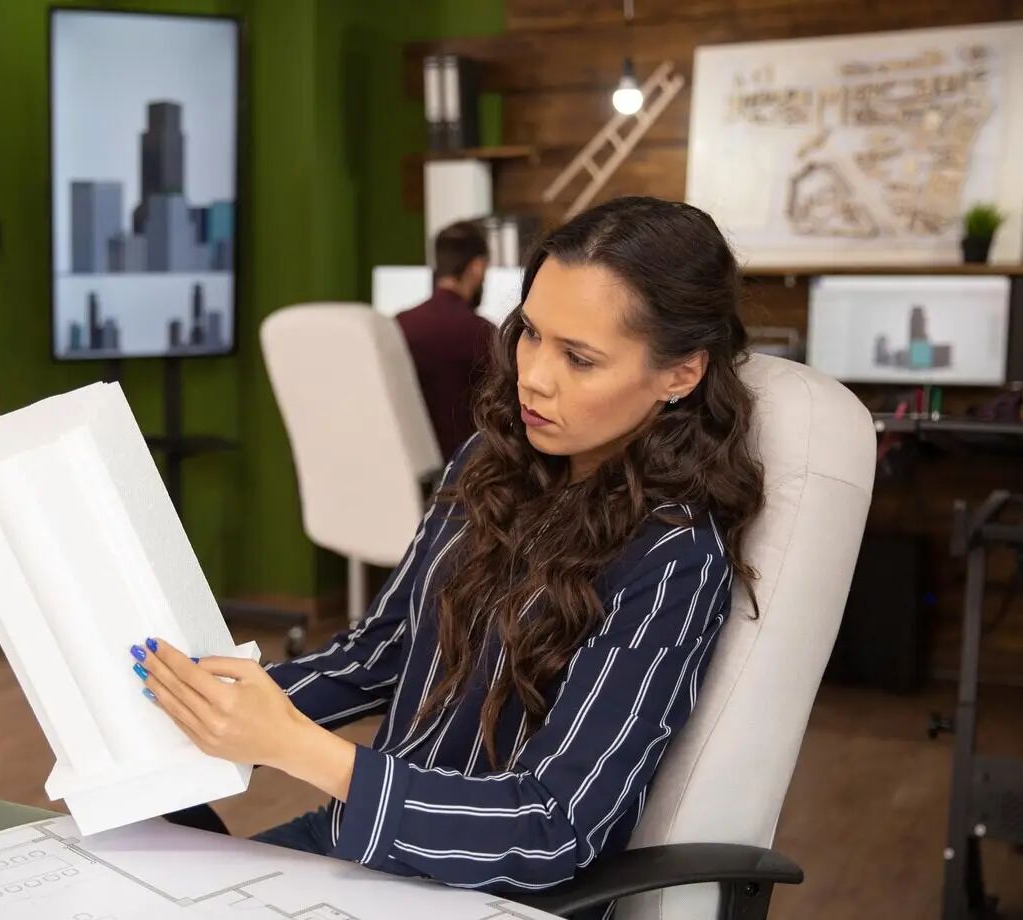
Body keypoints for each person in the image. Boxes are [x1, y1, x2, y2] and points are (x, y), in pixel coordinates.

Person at [129, 196, 766, 913]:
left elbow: (553, 829)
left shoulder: (674, 557)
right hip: (365, 853)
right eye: (530, 334)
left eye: (579, 358)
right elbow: (381, 652)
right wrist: (213, 700)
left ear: (680, 374)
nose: (534, 377)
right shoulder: (486, 463)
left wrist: (300, 750)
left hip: (482, 895)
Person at [396, 220, 498, 461]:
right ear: (477, 268)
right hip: (466, 475)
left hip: (409, 471)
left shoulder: (398, 326)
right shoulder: (481, 333)